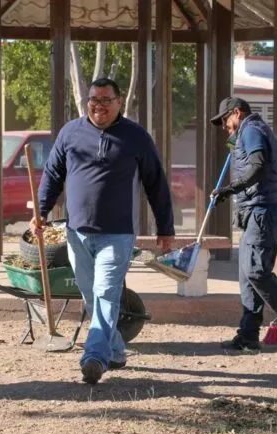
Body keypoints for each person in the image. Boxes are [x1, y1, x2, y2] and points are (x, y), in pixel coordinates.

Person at [32, 77, 175, 385]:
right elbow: (53, 174)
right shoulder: (71, 132)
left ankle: (94, 357)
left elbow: (156, 183)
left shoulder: (136, 137)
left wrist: (166, 227)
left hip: (118, 233)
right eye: (93, 100)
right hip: (77, 232)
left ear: (119, 102)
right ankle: (115, 349)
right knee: (90, 296)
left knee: (105, 293)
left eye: (105, 100)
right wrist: (41, 212)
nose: (99, 106)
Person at [209, 96, 277, 351]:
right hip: (258, 212)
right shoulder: (261, 132)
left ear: (237, 112)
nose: (224, 126)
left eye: (225, 120)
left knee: (255, 270)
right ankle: (248, 335)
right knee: (247, 275)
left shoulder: (252, 130)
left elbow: (258, 165)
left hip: (262, 212)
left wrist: (230, 188)